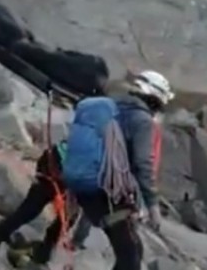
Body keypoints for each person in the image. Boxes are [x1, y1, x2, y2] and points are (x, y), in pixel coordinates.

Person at [59, 70, 174, 270]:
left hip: (87, 183)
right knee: (131, 256)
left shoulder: (112, 106)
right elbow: (142, 163)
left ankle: (56, 247)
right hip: (109, 192)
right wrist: (152, 205)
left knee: (129, 250)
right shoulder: (142, 121)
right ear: (156, 99)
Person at [0, 140, 92, 270]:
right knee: (27, 212)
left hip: (61, 169)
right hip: (56, 168)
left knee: (63, 220)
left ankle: (42, 257)